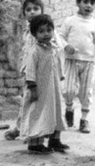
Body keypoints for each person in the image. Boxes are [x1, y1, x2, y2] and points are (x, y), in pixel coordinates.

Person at [61, 0, 95, 133]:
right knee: (68, 89)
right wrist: (66, 46)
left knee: (86, 92)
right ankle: (69, 108)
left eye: (92, 3)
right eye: (85, 2)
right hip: (71, 60)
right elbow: (60, 37)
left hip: (88, 63)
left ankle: (84, 120)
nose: (88, 6)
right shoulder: (70, 21)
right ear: (77, 3)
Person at [22, 14, 69, 154]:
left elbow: (57, 64)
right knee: (38, 114)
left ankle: (54, 140)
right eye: (41, 31)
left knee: (55, 112)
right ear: (35, 34)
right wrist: (33, 88)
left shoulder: (53, 48)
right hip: (40, 90)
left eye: (49, 30)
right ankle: (35, 143)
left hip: (52, 89)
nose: (46, 34)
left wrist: (60, 77)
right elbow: (29, 71)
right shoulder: (34, 51)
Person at [4, 0, 45, 141]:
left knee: (34, 102)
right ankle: (23, 128)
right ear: (24, 13)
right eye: (28, 10)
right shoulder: (27, 31)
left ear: (42, 10)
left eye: (36, 9)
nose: (32, 12)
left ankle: (29, 131)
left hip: (41, 73)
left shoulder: (44, 30)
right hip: (29, 73)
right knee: (27, 101)